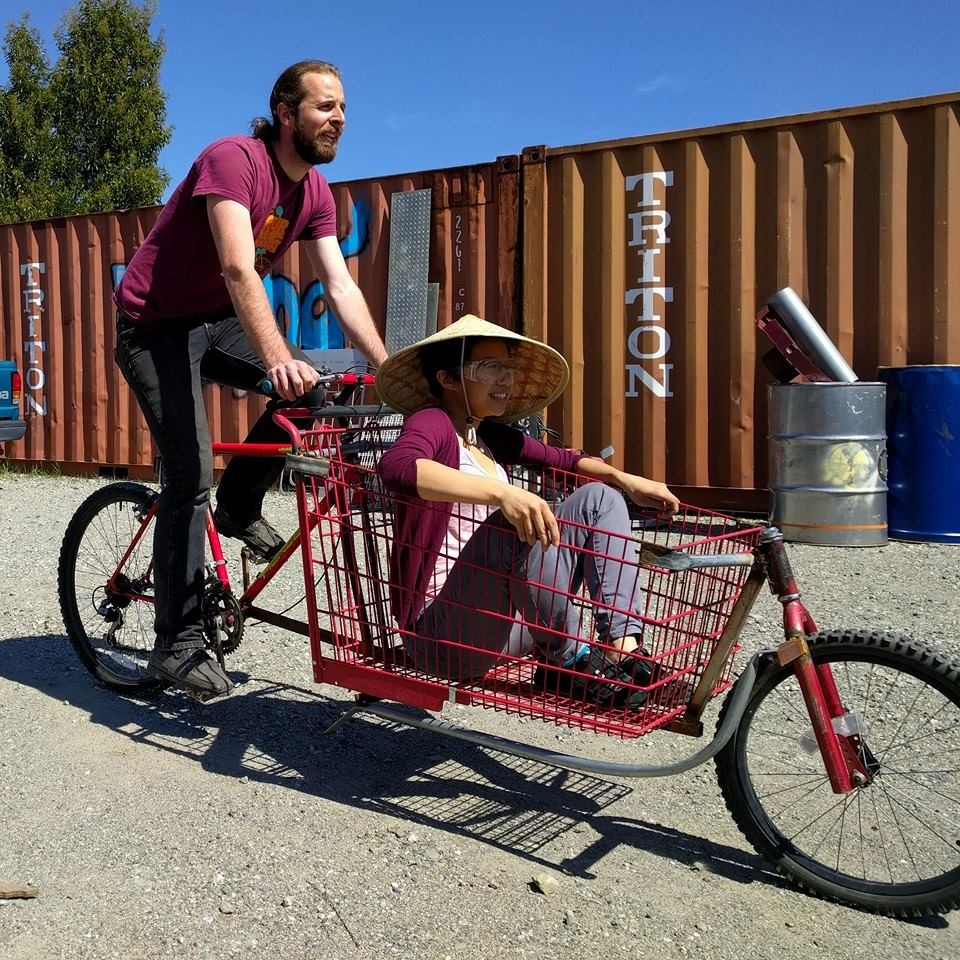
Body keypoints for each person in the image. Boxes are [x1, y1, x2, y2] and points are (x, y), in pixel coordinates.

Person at [113, 60, 388, 699]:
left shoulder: (315, 191)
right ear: (287, 114)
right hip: (153, 328)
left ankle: (239, 507)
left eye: (343, 107)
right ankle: (175, 644)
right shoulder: (233, 161)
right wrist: (275, 358)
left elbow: (339, 283)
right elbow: (239, 270)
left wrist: (386, 365)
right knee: (189, 474)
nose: (339, 117)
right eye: (325, 106)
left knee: (315, 392)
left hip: (212, 321)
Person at [375, 315, 679, 709]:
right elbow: (397, 468)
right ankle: (573, 661)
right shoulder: (432, 422)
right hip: (445, 634)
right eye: (490, 367)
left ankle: (621, 645)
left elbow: (564, 459)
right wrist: (503, 494)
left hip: (513, 627)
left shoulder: (485, 435)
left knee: (599, 498)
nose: (505, 379)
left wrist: (625, 479)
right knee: (515, 522)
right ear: (448, 380)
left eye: (508, 368)